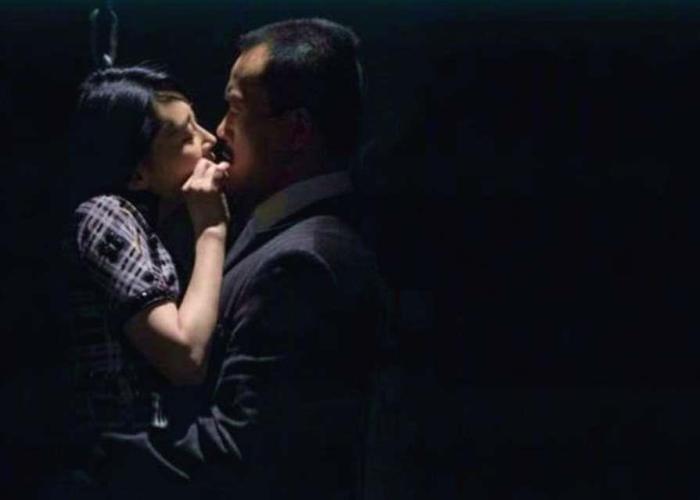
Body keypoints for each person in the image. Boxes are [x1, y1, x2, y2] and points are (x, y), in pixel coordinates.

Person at [172, 18, 390, 499]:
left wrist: (105, 453)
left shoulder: (302, 264)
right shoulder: (291, 239)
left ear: (296, 132)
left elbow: (241, 452)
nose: (219, 131)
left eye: (235, 110)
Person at [60, 66, 229, 495]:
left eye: (197, 123)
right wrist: (211, 230)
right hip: (118, 473)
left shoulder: (157, 223)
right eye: (185, 136)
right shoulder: (104, 214)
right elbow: (185, 357)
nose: (209, 139)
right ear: (137, 174)